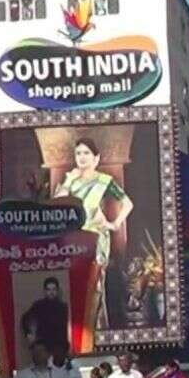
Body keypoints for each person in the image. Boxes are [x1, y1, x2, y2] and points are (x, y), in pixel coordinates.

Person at [52, 138, 134, 324]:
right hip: (73, 238)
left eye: (86, 153)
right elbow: (57, 205)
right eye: (78, 153)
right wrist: (68, 181)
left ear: (96, 158)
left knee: (95, 283)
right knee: (76, 282)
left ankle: (98, 326)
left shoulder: (104, 181)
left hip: (96, 238)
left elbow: (128, 204)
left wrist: (114, 224)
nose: (82, 157)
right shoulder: (70, 181)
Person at [20, 277, 69, 354]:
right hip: (42, 344)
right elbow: (25, 318)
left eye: (53, 289)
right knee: (40, 355)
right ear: (45, 291)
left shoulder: (63, 307)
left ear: (57, 290)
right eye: (48, 290)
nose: (51, 292)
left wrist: (65, 347)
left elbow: (64, 329)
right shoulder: (39, 305)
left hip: (59, 345)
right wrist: (28, 333)